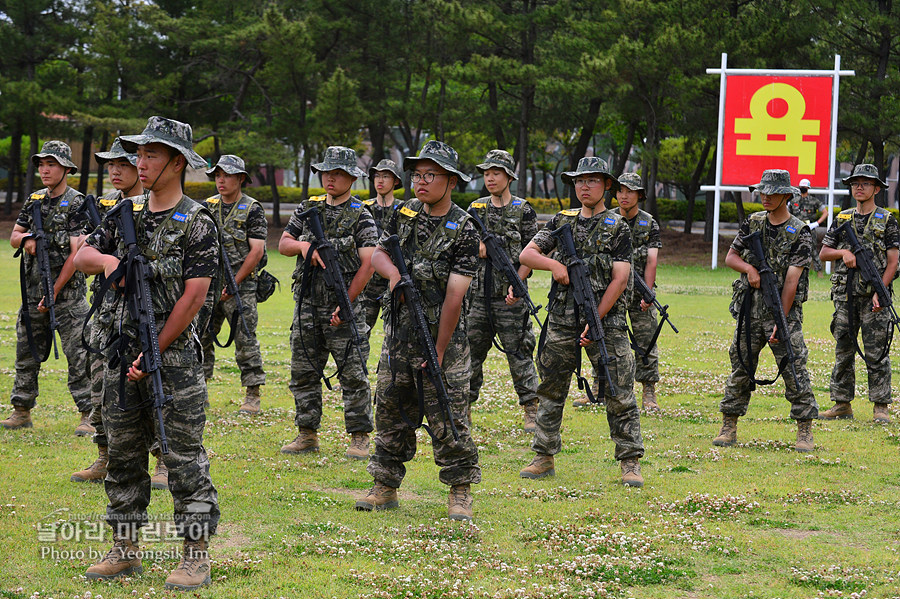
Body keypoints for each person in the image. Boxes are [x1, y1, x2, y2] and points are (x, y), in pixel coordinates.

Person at [75, 116, 220, 591]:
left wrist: (153, 351)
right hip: (119, 358)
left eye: (151, 154)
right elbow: (82, 256)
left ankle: (195, 554)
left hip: (171, 364)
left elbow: (194, 297)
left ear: (178, 162)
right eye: (139, 153)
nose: (140, 161)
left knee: (184, 460)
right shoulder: (124, 212)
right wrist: (114, 261)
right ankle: (125, 548)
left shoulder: (198, 222)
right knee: (122, 456)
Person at [356, 140, 481, 521]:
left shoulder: (464, 227)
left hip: (444, 337)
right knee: (391, 408)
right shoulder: (404, 213)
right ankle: (385, 486)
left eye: (431, 175)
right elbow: (378, 253)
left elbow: (455, 297)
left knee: (449, 411)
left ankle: (460, 490)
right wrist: (393, 273)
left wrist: (438, 350)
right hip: (399, 336)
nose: (422, 182)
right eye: (418, 175)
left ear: (451, 181)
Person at [518, 156, 645, 487]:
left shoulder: (618, 227)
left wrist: (596, 319)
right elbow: (527, 255)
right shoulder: (562, 221)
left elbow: (620, 279)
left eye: (591, 180)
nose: (584, 186)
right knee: (551, 388)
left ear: (606, 186)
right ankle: (543, 456)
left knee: (618, 389)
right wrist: (553, 266)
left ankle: (630, 462)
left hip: (607, 322)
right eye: (579, 181)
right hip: (561, 318)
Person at [70, 138, 160, 484]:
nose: (117, 171)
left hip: (149, 314)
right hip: (109, 316)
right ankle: (105, 456)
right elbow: (83, 255)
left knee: (153, 391)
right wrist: (107, 262)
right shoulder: (107, 210)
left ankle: (162, 459)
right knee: (102, 391)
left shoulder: (158, 211)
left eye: (123, 164)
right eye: (112, 165)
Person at [278, 146, 376, 460]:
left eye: (338, 173)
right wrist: (305, 247)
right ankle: (307, 433)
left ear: (351, 177)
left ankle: (359, 436)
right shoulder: (308, 207)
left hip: (343, 307)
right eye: (327, 172)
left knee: (352, 373)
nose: (330, 178)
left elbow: (369, 263)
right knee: (303, 371)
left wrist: (345, 303)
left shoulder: (361, 213)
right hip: (307, 303)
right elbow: (283, 243)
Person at [714, 169, 818, 452]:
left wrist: (780, 321)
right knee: (741, 368)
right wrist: (750, 269)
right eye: (762, 191)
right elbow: (730, 257)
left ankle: (805, 429)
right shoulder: (752, 223)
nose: (765, 197)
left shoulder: (800, 231)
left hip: (783, 312)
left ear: (787, 195)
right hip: (750, 310)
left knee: (794, 368)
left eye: (772, 193)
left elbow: (793, 281)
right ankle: (729, 425)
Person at [2, 141, 92, 435]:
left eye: (51, 164)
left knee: (79, 356)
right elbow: (14, 236)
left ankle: (88, 415)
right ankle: (21, 410)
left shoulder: (77, 203)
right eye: (41, 164)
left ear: (66, 168)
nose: (44, 169)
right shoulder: (34, 200)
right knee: (26, 354)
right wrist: (27, 240)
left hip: (67, 297)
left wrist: (54, 290)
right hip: (32, 293)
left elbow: (77, 254)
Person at [574, 172, 662, 411]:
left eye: (630, 191)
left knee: (646, 339)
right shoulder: (608, 219)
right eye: (621, 190)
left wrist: (648, 293)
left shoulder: (648, 222)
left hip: (639, 292)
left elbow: (651, 260)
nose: (624, 195)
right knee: (599, 334)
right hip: (611, 291)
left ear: (639, 195)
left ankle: (649, 392)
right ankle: (598, 386)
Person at [466, 149, 540, 432]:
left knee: (520, 354)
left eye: (496, 173)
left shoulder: (524, 210)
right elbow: (462, 247)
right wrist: (478, 248)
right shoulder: (475, 209)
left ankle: (531, 411)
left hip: (511, 300)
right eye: (486, 173)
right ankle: (465, 408)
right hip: (477, 299)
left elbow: (534, 251)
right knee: (470, 356)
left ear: (509, 176)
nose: (490, 178)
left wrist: (518, 285)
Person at [819, 164, 899, 424]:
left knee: (877, 351)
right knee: (843, 349)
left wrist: (881, 291)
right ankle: (842, 404)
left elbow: (893, 262)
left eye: (865, 183)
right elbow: (823, 253)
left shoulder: (887, 220)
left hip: (874, 296)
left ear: (877, 188)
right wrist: (843, 253)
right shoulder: (842, 218)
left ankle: (880, 407)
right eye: (855, 183)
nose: (859, 187)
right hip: (845, 296)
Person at [200, 154, 268, 414]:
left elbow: (257, 251)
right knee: (201, 336)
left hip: (241, 287)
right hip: (208, 286)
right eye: (217, 175)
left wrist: (234, 283)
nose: (221, 180)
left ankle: (252, 395)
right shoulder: (207, 206)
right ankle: (200, 388)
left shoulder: (252, 209)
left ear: (240, 178)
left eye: (226, 175)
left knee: (245, 339)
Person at [360, 158, 403, 333]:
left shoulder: (404, 210)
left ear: (396, 181)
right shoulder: (364, 209)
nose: (380, 180)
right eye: (377, 176)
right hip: (367, 281)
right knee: (360, 332)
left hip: (393, 279)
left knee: (394, 332)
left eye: (386, 176)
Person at [789, 178, 828, 276]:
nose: (802, 188)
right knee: (794, 248)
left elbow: (825, 213)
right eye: (801, 186)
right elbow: (787, 214)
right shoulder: (794, 201)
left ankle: (819, 272)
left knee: (813, 249)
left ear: (808, 188)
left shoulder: (814, 201)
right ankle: (795, 271)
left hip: (809, 228)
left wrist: (816, 223)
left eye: (804, 187)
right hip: (796, 228)